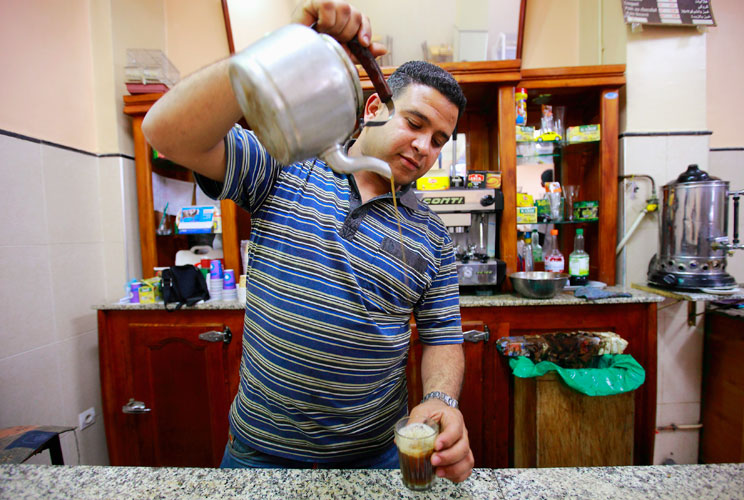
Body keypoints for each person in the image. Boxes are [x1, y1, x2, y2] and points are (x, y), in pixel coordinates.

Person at [142, 0, 473, 483]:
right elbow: (166, 133)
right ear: (375, 107)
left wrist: (440, 399)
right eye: (416, 123)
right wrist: (279, 51)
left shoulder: (434, 238)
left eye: (441, 139)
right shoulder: (286, 164)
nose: (426, 148)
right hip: (259, 455)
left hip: (375, 461)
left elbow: (442, 337)